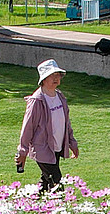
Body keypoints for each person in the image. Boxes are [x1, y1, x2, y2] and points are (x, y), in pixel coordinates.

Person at [15, 59, 79, 192]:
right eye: (52, 75)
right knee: (56, 180)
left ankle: (36, 202)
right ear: (43, 79)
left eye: (58, 75)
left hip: (56, 146)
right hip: (43, 148)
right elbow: (28, 127)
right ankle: (58, 207)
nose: (56, 78)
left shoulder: (60, 97)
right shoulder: (37, 100)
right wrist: (22, 151)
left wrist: (72, 143)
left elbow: (66, 122)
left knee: (46, 180)